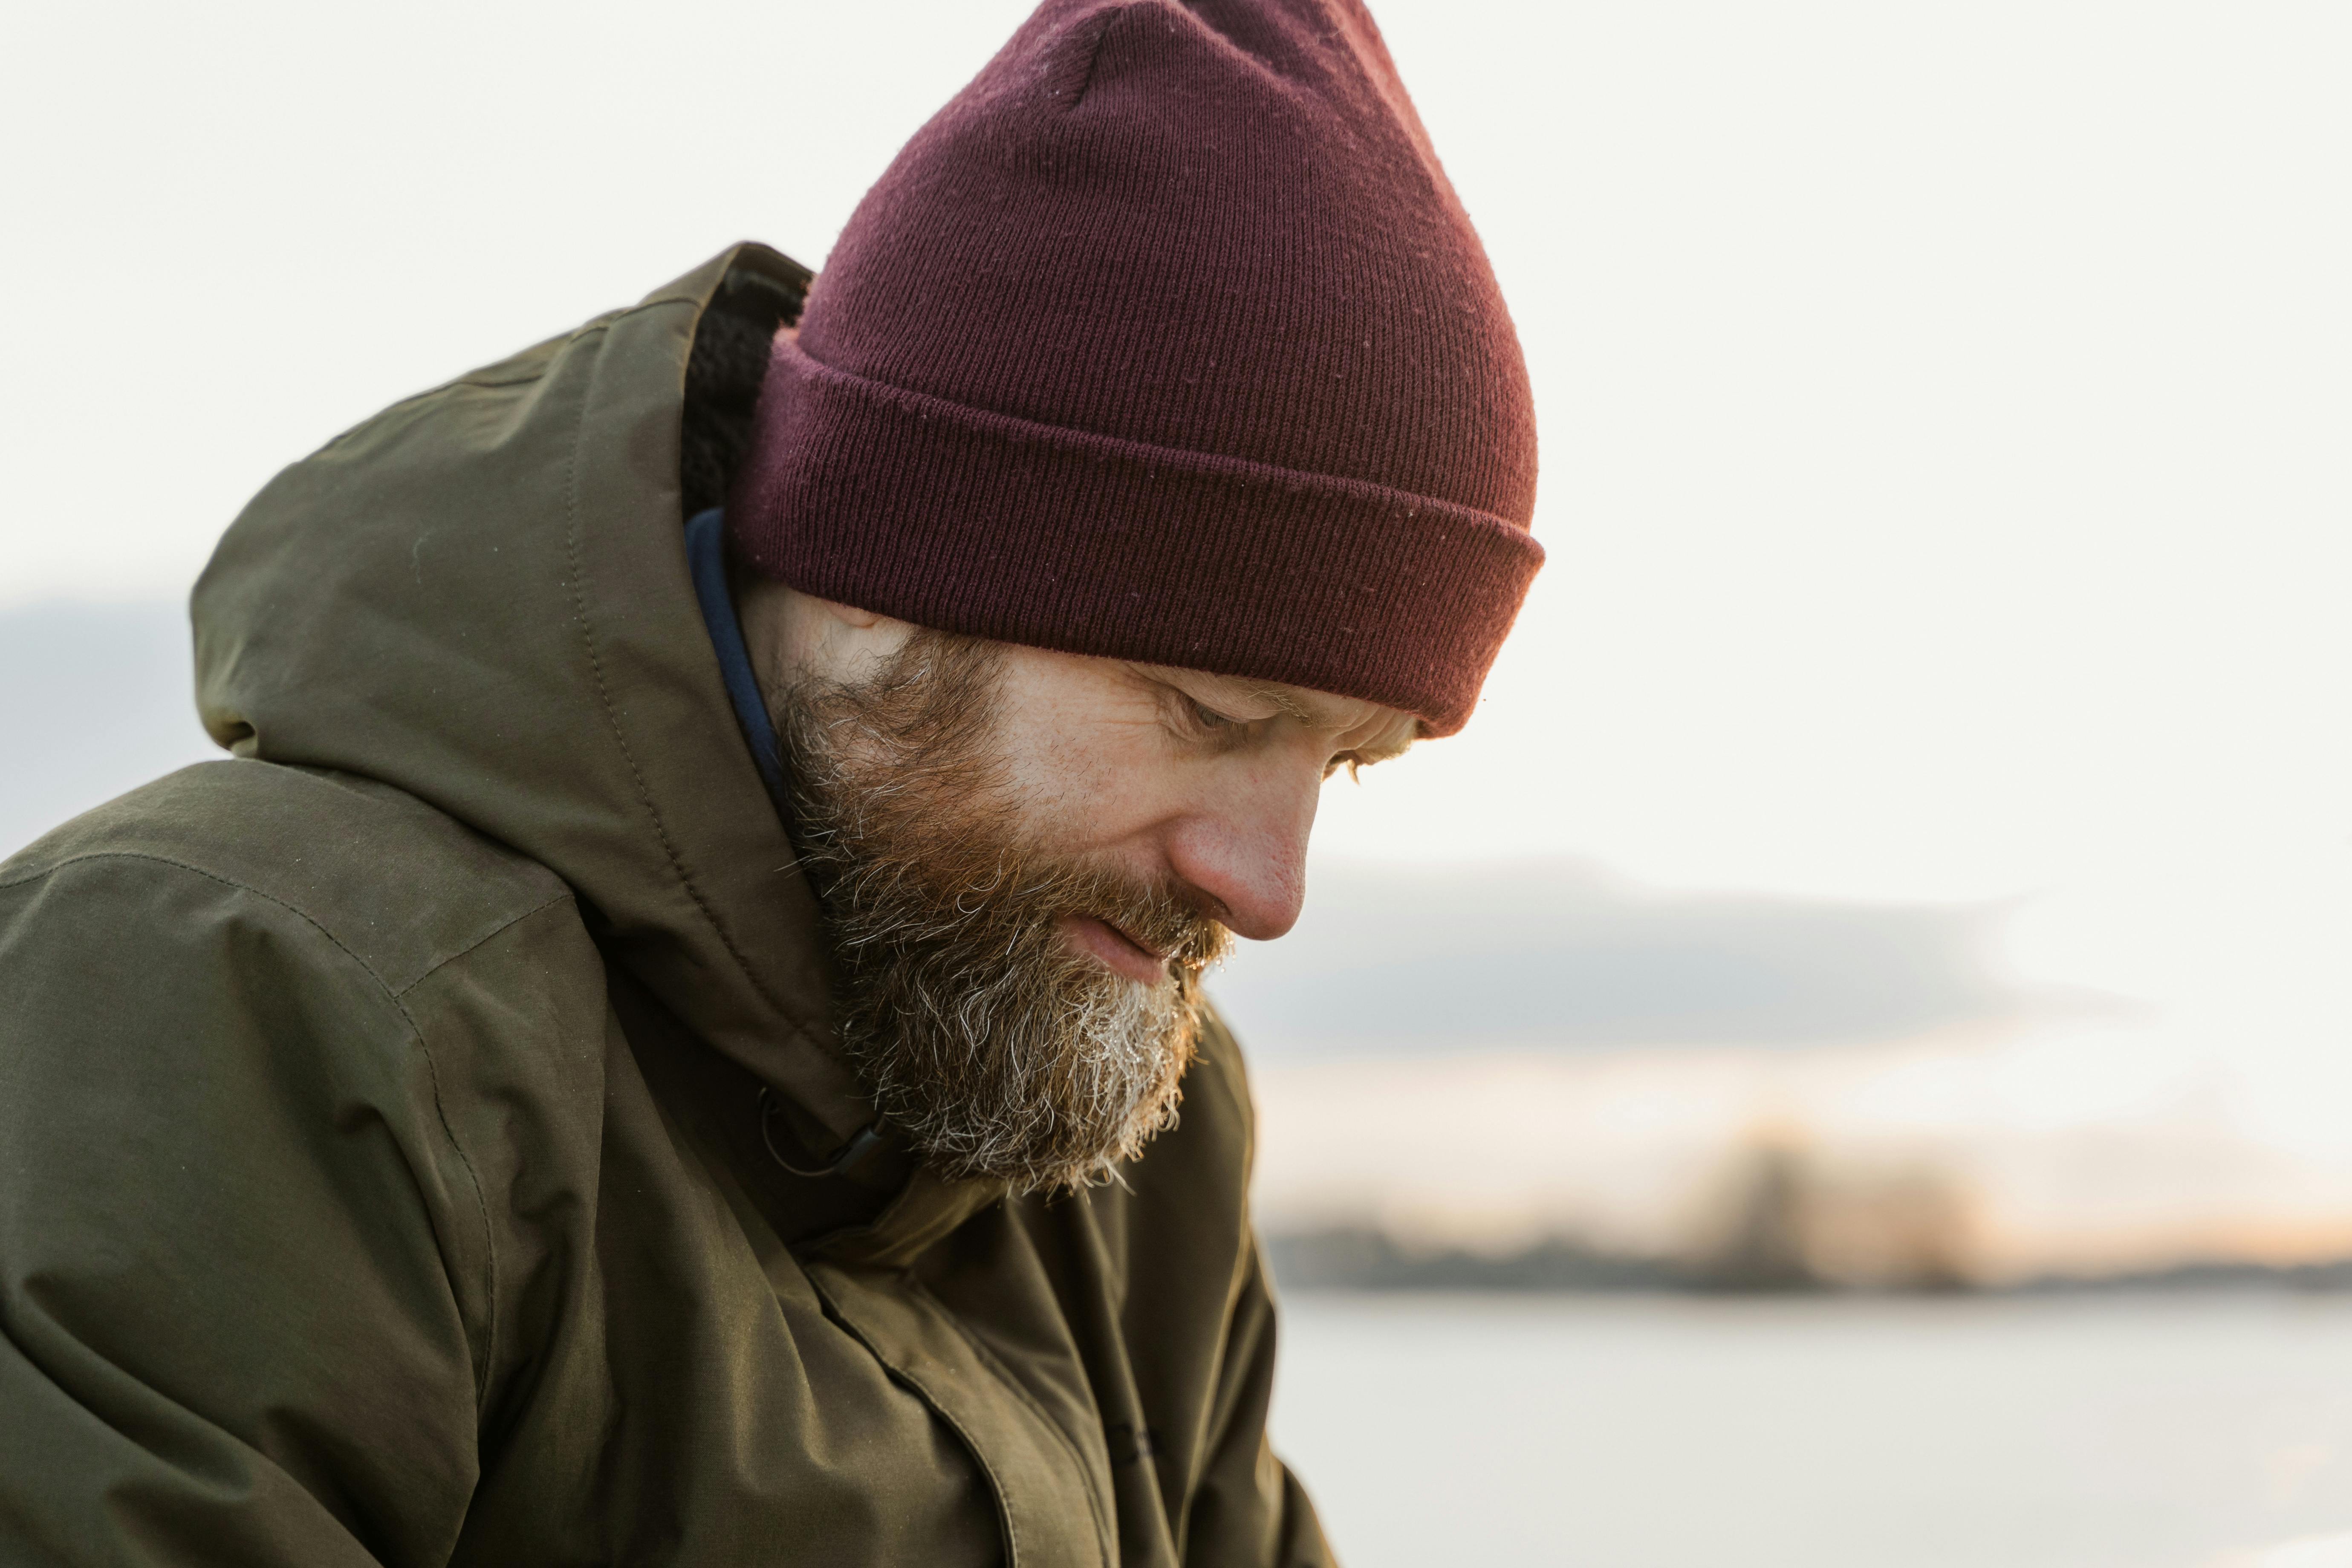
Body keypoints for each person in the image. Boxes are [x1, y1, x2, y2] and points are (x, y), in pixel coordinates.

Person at [0, 0, 1539, 1561]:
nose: (1270, 892)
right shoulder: (235, 1001)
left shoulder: (1144, 1140)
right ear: (882, 574)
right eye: (1210, 713)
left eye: (1348, 765)